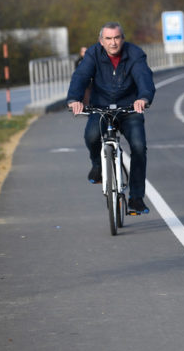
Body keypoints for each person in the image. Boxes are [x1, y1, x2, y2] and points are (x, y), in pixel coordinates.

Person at [67, 22, 156, 214]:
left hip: (129, 108)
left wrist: (143, 97)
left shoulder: (135, 54)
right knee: (91, 137)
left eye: (116, 38)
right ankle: (98, 166)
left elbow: (144, 78)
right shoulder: (93, 54)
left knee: (139, 147)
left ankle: (136, 199)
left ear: (122, 39)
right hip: (100, 107)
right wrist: (74, 99)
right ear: (101, 41)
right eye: (108, 39)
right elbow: (81, 76)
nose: (113, 43)